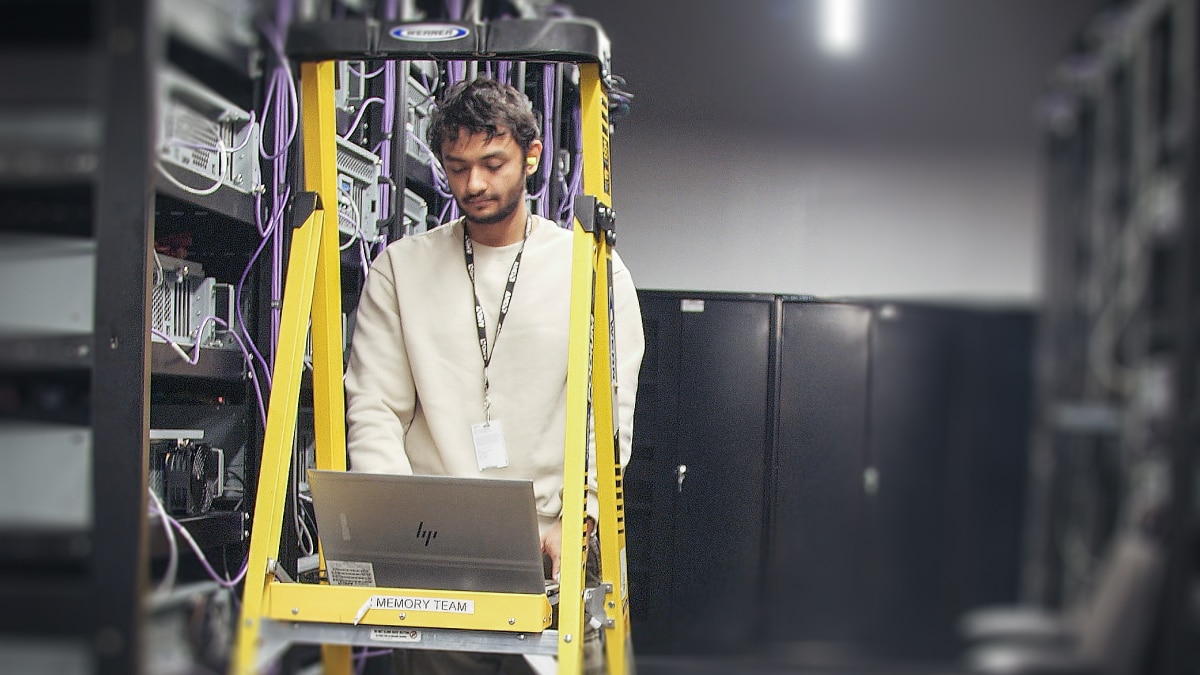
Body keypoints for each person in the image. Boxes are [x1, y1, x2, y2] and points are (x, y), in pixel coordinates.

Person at [343, 77, 645, 674]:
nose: (474, 184)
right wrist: (402, 532)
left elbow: (609, 416)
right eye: (457, 168)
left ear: (532, 157)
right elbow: (374, 408)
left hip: (558, 546)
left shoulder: (591, 269)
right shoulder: (401, 270)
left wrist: (579, 521)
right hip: (438, 552)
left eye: (492, 163)